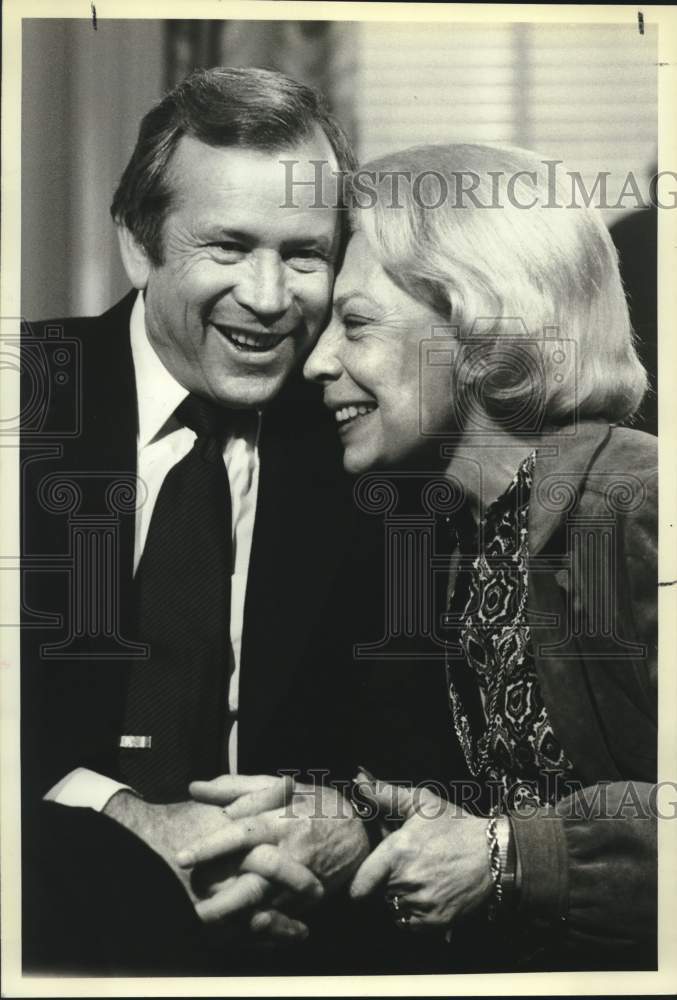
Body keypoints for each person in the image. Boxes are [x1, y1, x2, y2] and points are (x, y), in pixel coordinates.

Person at [186, 143, 658, 971]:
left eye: (356, 324)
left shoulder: (638, 504)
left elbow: (514, 841)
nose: (319, 359)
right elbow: (505, 810)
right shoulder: (457, 536)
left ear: (476, 328)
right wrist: (355, 824)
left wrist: (509, 855)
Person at [20, 65, 373, 974]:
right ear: (140, 249)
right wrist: (119, 818)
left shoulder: (364, 448)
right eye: (227, 245)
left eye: (304, 255)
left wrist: (343, 819)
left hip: (284, 941)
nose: (268, 297)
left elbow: (394, 735)